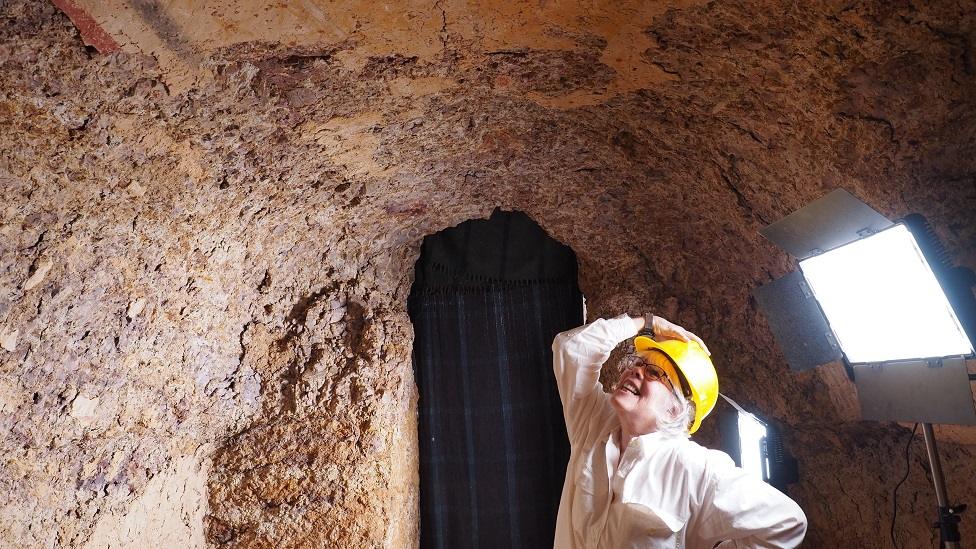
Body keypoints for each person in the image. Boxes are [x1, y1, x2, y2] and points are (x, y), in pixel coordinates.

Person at [552, 313, 807, 548]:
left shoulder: (696, 468)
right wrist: (647, 322)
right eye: (637, 363)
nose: (635, 370)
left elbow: (787, 522)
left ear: (676, 409)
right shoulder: (594, 422)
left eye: (653, 372)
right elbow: (572, 349)